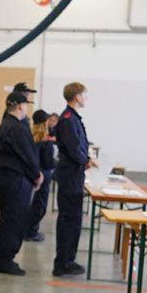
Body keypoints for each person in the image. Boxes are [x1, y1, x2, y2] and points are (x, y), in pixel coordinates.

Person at [0, 92, 43, 275]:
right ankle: (5, 259)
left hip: (3, 176)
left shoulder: (5, 125)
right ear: (20, 106)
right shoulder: (18, 129)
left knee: (8, 219)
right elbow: (28, 156)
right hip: (15, 179)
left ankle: (1, 256)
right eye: (26, 105)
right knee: (15, 219)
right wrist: (37, 176)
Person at [52, 82, 96, 277]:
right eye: (84, 95)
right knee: (69, 218)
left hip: (74, 173)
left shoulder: (73, 118)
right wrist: (85, 160)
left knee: (73, 218)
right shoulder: (69, 119)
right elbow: (73, 147)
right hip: (70, 174)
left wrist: (85, 159)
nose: (86, 98)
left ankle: (68, 258)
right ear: (77, 96)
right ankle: (63, 262)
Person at [26, 109, 57, 242]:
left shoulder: (28, 137)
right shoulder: (46, 141)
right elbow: (49, 162)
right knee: (40, 206)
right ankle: (31, 231)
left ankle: (29, 229)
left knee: (32, 203)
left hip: (31, 174)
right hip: (44, 175)